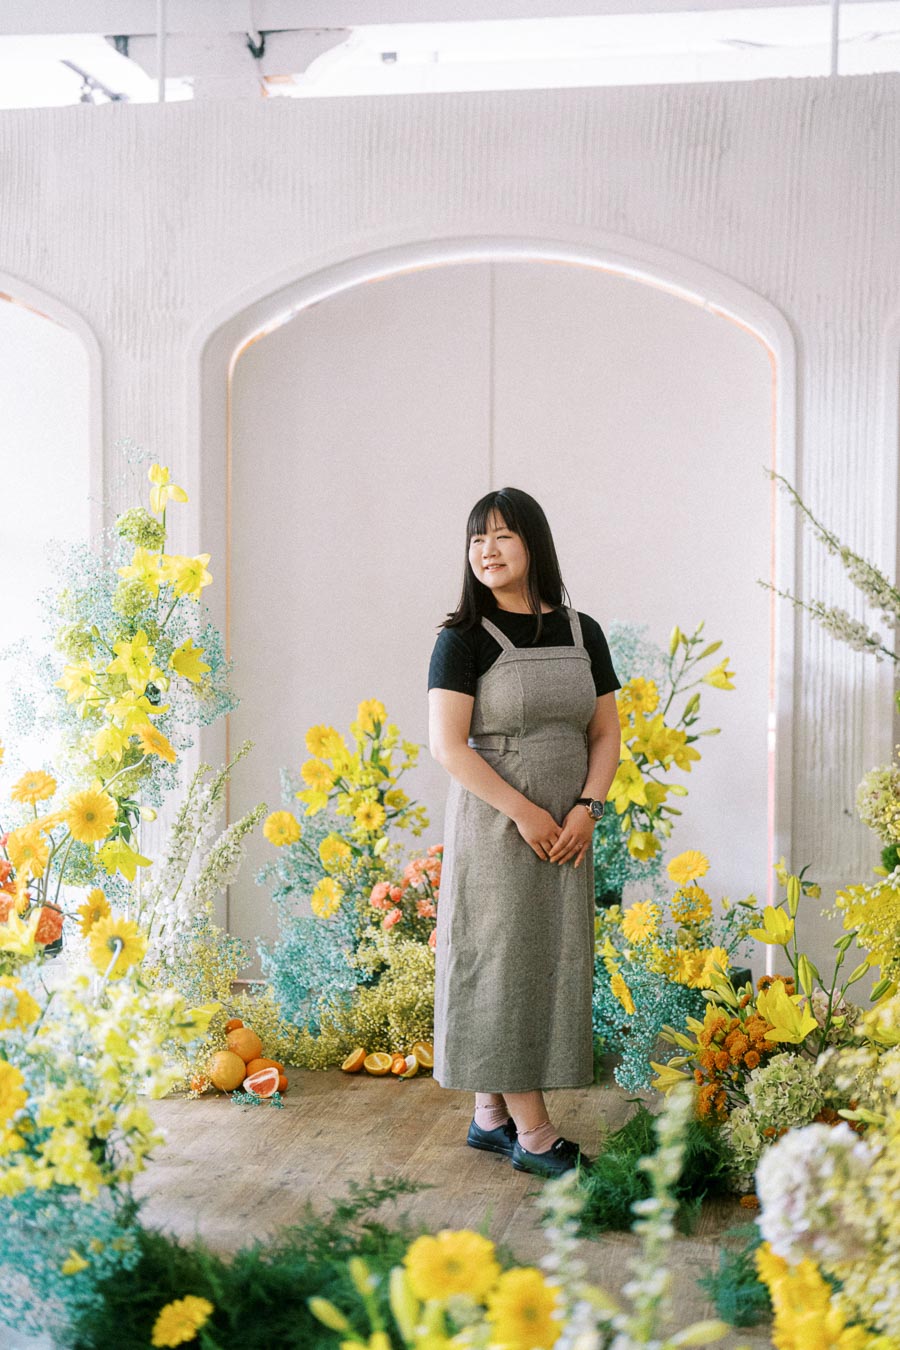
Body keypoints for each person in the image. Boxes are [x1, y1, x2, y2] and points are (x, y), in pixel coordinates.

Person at [428, 486, 622, 1178]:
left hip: (568, 830)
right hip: (500, 827)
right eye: (477, 538)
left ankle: (490, 1116)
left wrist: (585, 809)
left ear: (533, 544)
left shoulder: (582, 631)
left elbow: (605, 732)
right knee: (501, 963)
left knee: (546, 961)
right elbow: (449, 748)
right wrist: (527, 811)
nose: (487, 549)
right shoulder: (461, 639)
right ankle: (534, 1135)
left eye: (503, 536)